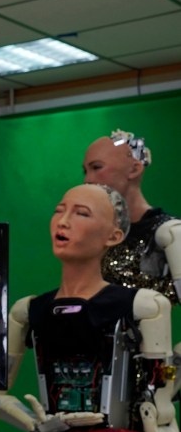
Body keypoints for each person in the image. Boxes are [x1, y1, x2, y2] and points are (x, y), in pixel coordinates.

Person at [0, 183, 180, 432]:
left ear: (113, 235)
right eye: (60, 209)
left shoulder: (142, 306)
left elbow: (159, 411)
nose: (64, 220)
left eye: (82, 213)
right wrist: (32, 423)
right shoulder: (28, 311)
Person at [82, 130, 180, 305]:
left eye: (97, 167)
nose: (87, 180)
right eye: (85, 171)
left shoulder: (168, 233)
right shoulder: (95, 232)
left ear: (134, 169)